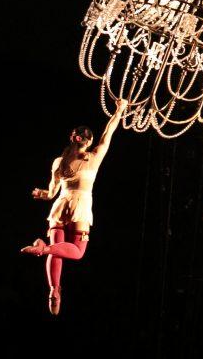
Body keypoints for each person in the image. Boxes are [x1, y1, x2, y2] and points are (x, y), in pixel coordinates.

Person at [20, 104, 129, 314]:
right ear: (86, 141)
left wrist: (42, 194)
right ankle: (44, 251)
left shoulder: (60, 161)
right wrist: (119, 110)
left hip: (60, 206)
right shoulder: (93, 157)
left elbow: (52, 192)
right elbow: (108, 134)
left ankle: (54, 290)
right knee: (77, 253)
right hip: (80, 206)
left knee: (59, 252)